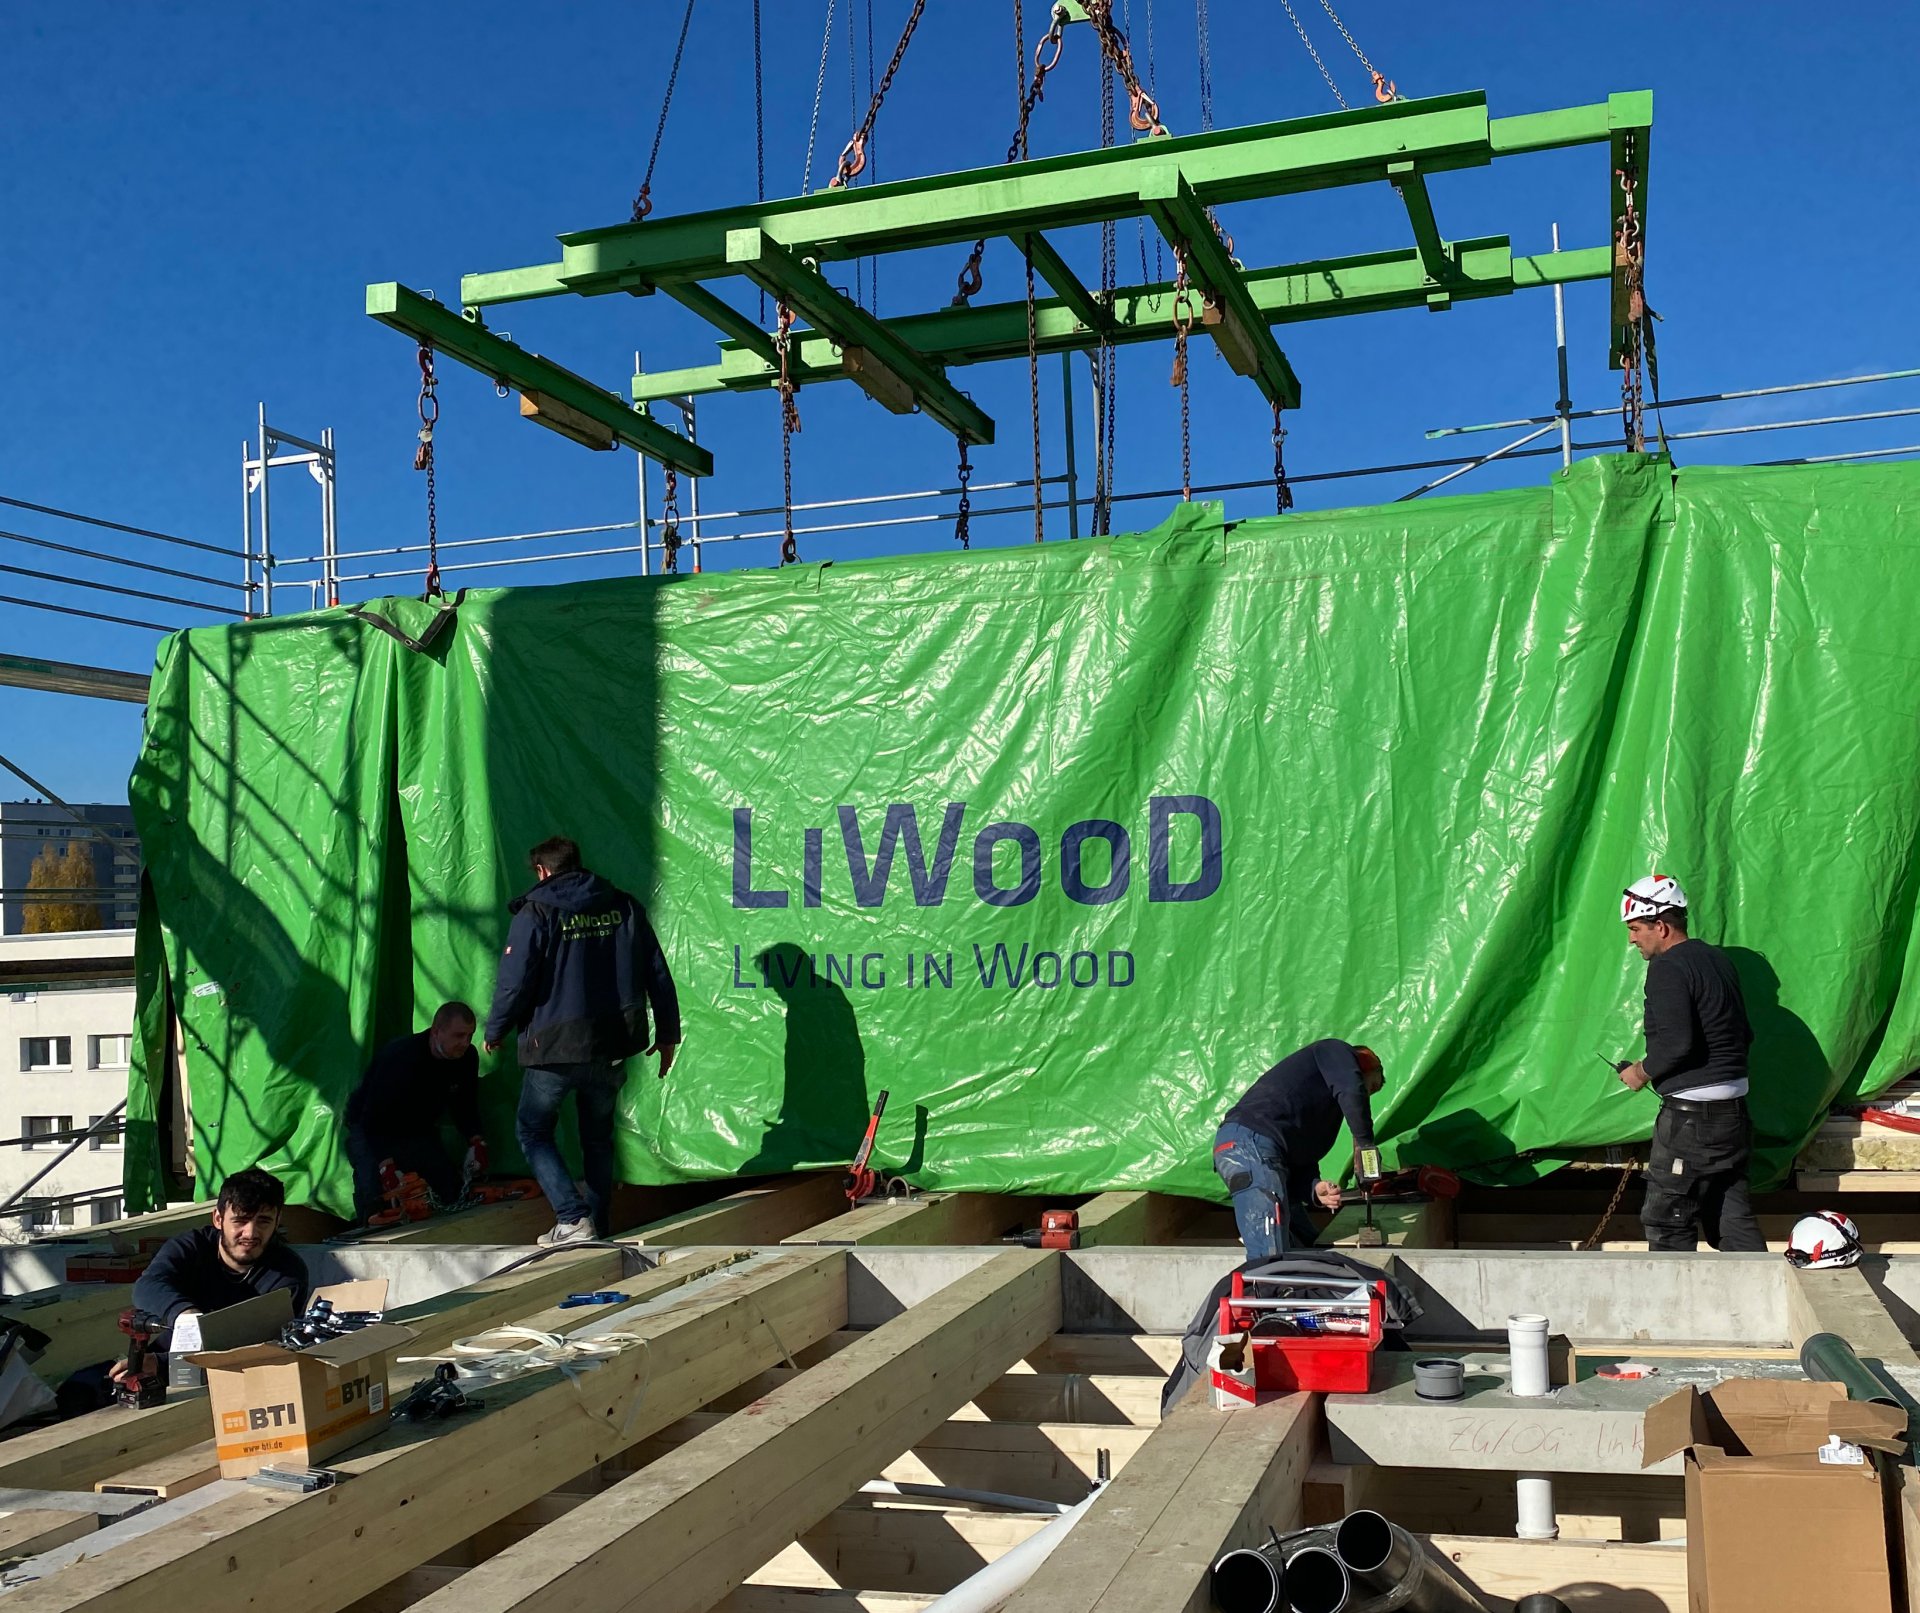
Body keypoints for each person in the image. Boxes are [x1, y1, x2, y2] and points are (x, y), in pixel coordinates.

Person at [484, 835, 681, 1245]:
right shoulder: (623, 905)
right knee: (597, 1136)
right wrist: (667, 1034)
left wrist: (496, 1028)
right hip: (611, 1043)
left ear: (542, 870)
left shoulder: (537, 912)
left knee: (533, 1130)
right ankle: (597, 1226)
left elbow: (513, 981)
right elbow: (656, 973)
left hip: (553, 1044)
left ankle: (573, 1219)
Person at [1614, 874, 1765, 1253]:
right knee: (1730, 1214)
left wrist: (1639, 1072)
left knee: (1668, 1219)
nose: (1632, 939)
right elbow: (1743, 1033)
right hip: (1734, 1115)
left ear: (1661, 926)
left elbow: (1677, 1044)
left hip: (1692, 1120)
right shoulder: (1717, 960)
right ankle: (1758, 1305)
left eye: (1635, 929)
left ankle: (1675, 1312)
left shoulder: (1667, 968)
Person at [1213, 1040, 1385, 1263]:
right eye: (1370, 1087)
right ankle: (1266, 1290)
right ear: (1365, 1063)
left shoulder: (1321, 1113)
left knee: (1309, 1245)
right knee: (1270, 1260)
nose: (1365, 1096)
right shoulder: (1336, 1051)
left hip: (1265, 1155)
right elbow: (1352, 1090)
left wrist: (1315, 1189)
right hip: (1248, 1144)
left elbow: (1301, 1159)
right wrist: (1364, 1145)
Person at [344, 1002, 488, 1221]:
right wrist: (385, 1164)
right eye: (458, 1036)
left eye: (470, 1036)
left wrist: (476, 1140)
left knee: (452, 1190)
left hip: (419, 1128)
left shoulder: (467, 1058)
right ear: (437, 1031)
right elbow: (372, 1117)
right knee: (374, 1198)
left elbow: (465, 1105)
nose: (465, 1043)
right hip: (372, 1127)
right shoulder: (400, 1057)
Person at [130, 1167, 311, 1332]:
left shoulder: (288, 1272)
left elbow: (260, 1344)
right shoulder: (190, 1247)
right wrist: (187, 1316)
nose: (250, 1233)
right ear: (218, 1219)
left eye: (264, 1221)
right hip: (172, 1355)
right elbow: (147, 1287)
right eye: (240, 1220)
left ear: (277, 1222)